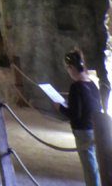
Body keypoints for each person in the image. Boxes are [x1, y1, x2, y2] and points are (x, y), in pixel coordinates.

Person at [57, 48, 102, 186]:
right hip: (94, 127)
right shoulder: (91, 84)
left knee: (89, 167)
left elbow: (75, 115)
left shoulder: (76, 87)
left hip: (83, 131)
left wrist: (59, 107)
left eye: (68, 68)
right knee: (96, 164)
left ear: (71, 67)